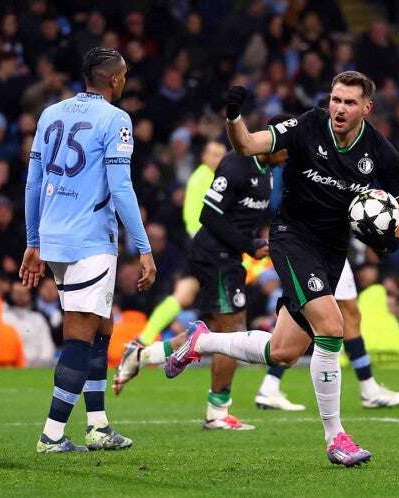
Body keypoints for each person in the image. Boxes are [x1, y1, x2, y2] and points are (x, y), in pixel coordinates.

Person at [166, 71, 399, 466]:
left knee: (283, 351)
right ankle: (337, 438)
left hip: (332, 251)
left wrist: (394, 237)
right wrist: (233, 118)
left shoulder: (380, 152)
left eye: (349, 102)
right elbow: (246, 144)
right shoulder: (307, 125)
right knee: (332, 326)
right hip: (292, 238)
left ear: (367, 108)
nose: (339, 108)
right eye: (335, 99)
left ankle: (201, 342)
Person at [114, 140, 307, 426]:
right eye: (287, 149)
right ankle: (217, 412)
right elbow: (208, 215)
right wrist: (248, 244)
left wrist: (257, 243)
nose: (288, 156)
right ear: (272, 143)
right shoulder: (236, 164)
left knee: (214, 332)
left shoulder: (266, 170)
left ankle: (142, 354)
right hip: (215, 256)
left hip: (226, 256)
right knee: (232, 331)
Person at [21, 47, 156, 453]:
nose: (126, 80)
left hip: (56, 237)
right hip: (89, 240)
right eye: (125, 75)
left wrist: (33, 240)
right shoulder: (117, 120)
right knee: (80, 335)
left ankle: (97, 426)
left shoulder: (51, 113)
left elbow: (32, 183)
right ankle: (52, 435)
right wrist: (144, 248)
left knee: (102, 328)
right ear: (114, 80)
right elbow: (120, 188)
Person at [263, 258, 399, 409]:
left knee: (345, 314)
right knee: (312, 312)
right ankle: (369, 390)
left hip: (329, 248)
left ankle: (270, 385)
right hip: (316, 249)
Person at [2, 281, 56, 366]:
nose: (20, 296)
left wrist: (42, 362)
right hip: (10, 365)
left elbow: (47, 345)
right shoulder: (3, 317)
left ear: (30, 295)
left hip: (35, 366)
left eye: (24, 293)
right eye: (17, 293)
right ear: (11, 294)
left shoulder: (38, 318)